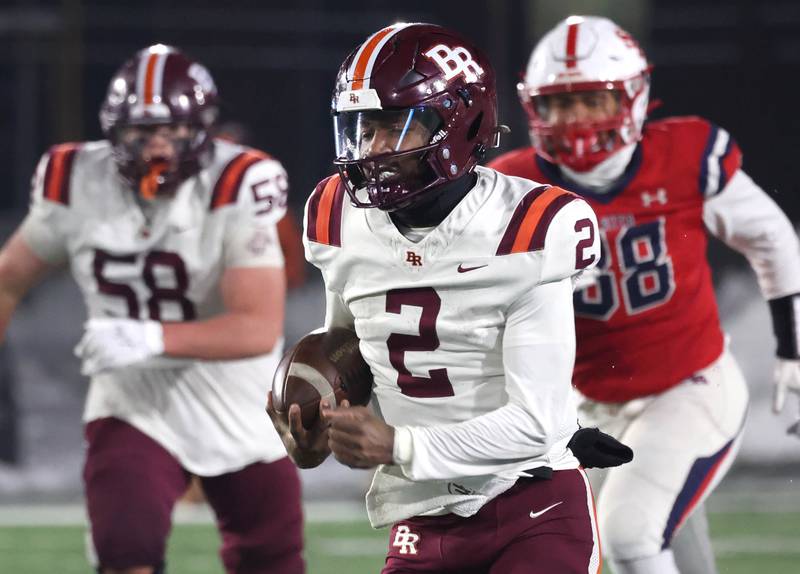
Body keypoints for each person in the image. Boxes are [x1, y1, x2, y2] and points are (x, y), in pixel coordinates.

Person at [271, 22, 605, 573]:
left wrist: (397, 445)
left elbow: (535, 422)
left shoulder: (529, 227)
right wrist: (317, 422)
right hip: (423, 509)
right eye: (363, 128)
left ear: (460, 123)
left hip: (533, 501)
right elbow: (344, 346)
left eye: (395, 127)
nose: (372, 149)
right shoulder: (336, 215)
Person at [489, 15, 800, 574]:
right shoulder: (512, 186)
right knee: (628, 535)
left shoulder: (684, 157)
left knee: (629, 535)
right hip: (585, 404)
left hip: (687, 386)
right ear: (534, 109)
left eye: (591, 100)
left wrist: (792, 343)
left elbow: (772, 238)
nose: (576, 120)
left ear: (634, 98)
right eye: (560, 104)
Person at [0, 44, 303, 574]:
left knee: (270, 558)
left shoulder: (239, 181)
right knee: (124, 553)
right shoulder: (75, 177)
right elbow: (8, 280)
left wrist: (150, 337)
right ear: (113, 130)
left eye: (171, 131)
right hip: (134, 401)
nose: (154, 147)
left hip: (238, 400)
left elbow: (257, 328)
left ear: (202, 129)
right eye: (139, 132)